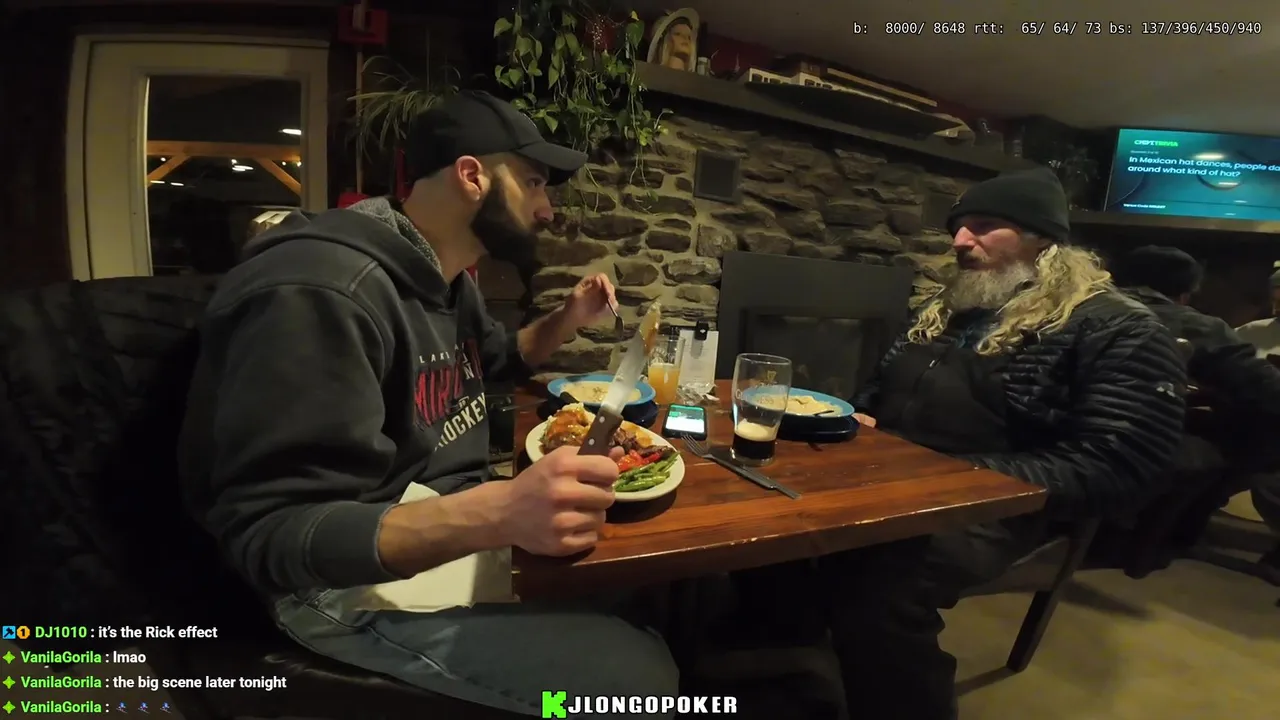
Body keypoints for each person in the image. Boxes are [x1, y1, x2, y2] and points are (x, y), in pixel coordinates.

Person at [178, 91, 678, 717]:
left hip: (440, 518)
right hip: (329, 580)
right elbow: (273, 534)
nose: (548, 210)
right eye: (532, 182)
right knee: (641, 686)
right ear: (471, 176)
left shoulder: (445, 278)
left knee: (645, 588)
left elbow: (497, 359)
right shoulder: (319, 290)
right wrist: (499, 512)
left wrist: (569, 317)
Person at [742, 168, 1188, 720]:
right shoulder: (951, 307)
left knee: (877, 584)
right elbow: (877, 390)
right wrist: (857, 420)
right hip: (895, 478)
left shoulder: (1116, 327)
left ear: (1041, 238)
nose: (958, 240)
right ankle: (784, 661)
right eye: (957, 226)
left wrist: (947, 475)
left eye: (983, 225)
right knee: (762, 509)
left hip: (1003, 508)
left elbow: (1121, 464)